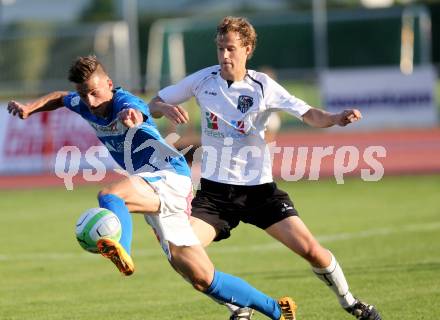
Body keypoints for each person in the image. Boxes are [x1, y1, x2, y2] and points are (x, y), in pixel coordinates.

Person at [7, 55, 297, 320]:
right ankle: (277, 310)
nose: (91, 101)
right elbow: (61, 97)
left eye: (95, 92)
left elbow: (139, 111)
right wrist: (29, 108)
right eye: (85, 95)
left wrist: (133, 117)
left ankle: (121, 248)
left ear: (109, 83)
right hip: (151, 183)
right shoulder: (84, 103)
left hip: (168, 173)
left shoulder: (123, 102)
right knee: (201, 277)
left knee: (110, 195)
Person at [148, 16, 382, 320]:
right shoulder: (203, 80)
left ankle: (351, 302)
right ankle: (237, 306)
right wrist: (162, 107)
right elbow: (152, 103)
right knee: (183, 257)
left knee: (312, 250)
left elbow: (308, 113)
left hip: (260, 193)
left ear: (247, 49)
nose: (224, 56)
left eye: (231, 48)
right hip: (215, 196)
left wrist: (335, 118)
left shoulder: (262, 86)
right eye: (220, 48)